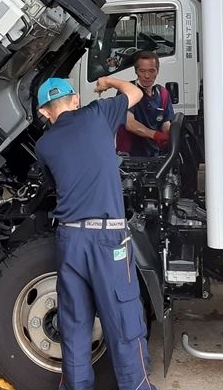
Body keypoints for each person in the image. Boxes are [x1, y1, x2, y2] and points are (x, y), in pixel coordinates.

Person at [35, 77, 156, 390]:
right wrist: (107, 81)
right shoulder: (99, 113)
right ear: (75, 100)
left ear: (44, 112)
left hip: (71, 240)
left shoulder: (44, 145)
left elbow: (54, 184)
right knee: (124, 321)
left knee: (74, 325)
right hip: (107, 240)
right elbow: (135, 93)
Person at [116, 51, 174, 157]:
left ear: (157, 71)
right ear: (136, 71)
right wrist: (156, 135)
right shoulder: (128, 91)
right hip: (129, 157)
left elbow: (165, 124)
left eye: (152, 71)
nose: (147, 76)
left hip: (154, 155)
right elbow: (130, 124)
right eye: (142, 71)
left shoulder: (163, 94)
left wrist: (171, 137)